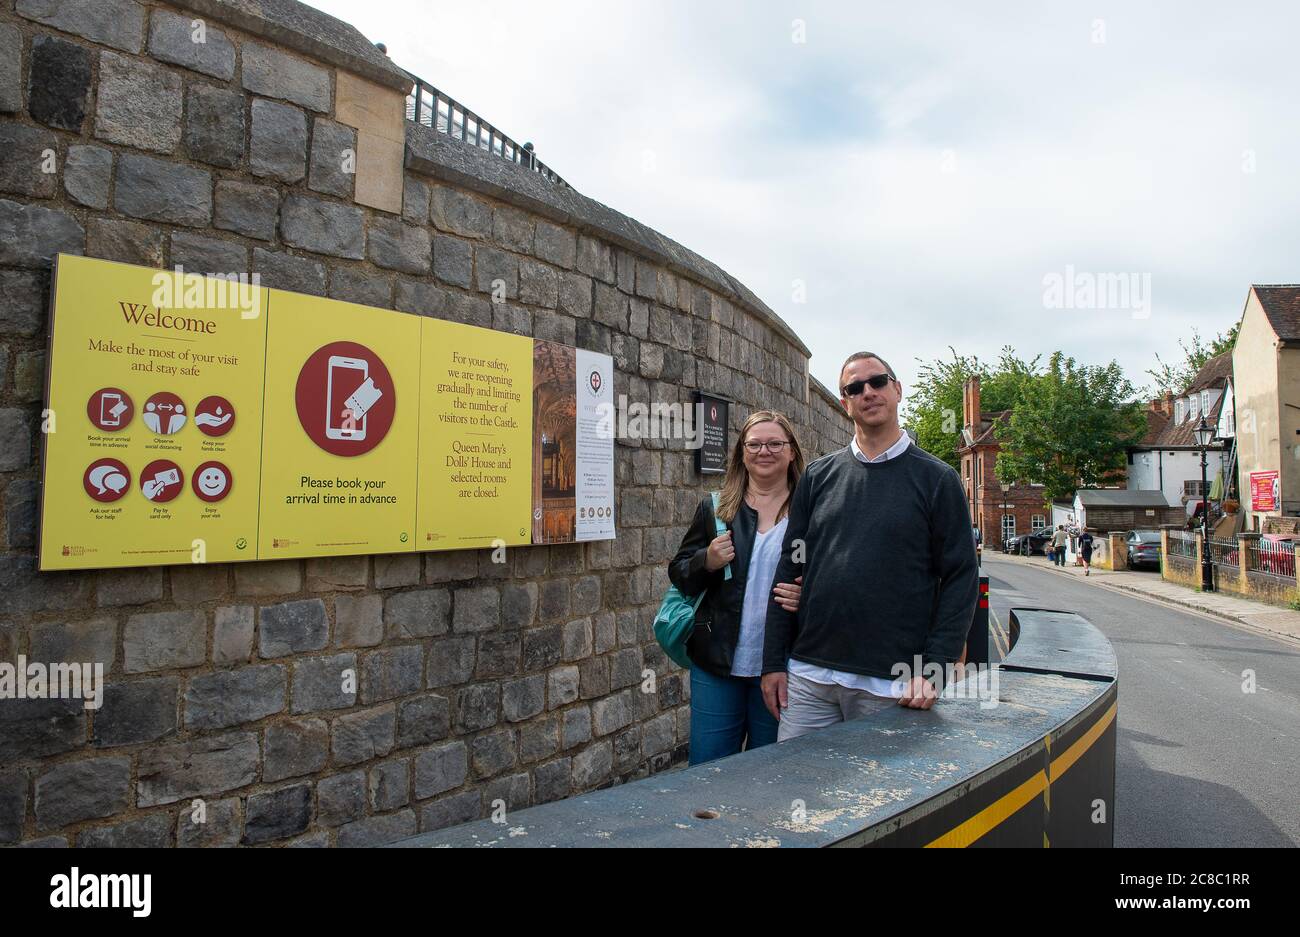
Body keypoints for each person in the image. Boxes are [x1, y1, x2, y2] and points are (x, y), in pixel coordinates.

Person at [760, 351, 978, 740]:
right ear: (845, 403)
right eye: (855, 388)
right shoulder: (818, 475)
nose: (868, 392)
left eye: (878, 382)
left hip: (890, 683)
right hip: (810, 677)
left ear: (896, 390)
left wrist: (936, 668)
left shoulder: (937, 480)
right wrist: (773, 662)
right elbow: (789, 566)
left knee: (881, 802)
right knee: (794, 794)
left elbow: (961, 578)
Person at [669, 410, 807, 765]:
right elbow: (679, 573)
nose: (765, 451)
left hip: (782, 664)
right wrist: (707, 561)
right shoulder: (716, 509)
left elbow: (835, 578)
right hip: (718, 664)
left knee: (769, 771)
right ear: (741, 454)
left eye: (775, 443)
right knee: (710, 770)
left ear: (791, 451)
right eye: (755, 444)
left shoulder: (812, 511)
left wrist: (809, 595)